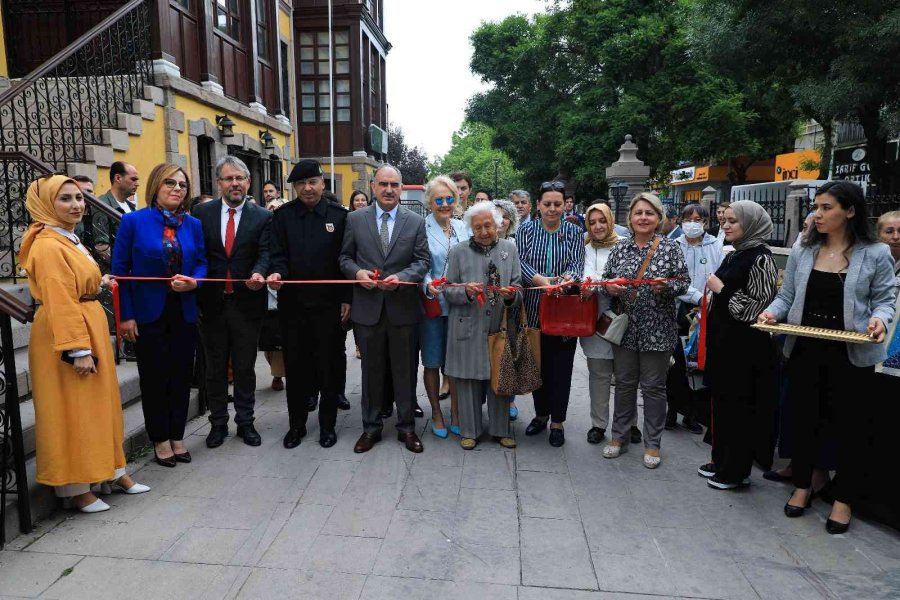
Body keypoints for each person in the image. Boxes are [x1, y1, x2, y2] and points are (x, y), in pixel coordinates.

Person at [759, 181, 895, 534]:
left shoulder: (876, 253)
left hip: (852, 355)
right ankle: (803, 486)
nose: (816, 214)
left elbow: (885, 299)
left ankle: (843, 499)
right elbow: (786, 296)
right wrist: (772, 313)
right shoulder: (804, 249)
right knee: (804, 422)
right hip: (804, 349)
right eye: (816, 207)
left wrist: (880, 319)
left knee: (851, 428)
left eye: (826, 207)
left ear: (849, 211)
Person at [21, 175, 149, 513]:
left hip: (86, 321)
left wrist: (98, 280)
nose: (77, 205)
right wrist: (76, 350)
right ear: (48, 204)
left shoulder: (68, 238)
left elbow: (75, 282)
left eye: (79, 197)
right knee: (73, 411)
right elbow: (60, 298)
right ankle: (77, 488)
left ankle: (110, 471)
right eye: (65, 199)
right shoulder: (48, 244)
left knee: (99, 405)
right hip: (67, 332)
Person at [112, 163, 207, 467]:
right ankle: (160, 439)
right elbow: (120, 272)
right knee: (154, 379)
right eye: (170, 182)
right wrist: (125, 315)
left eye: (182, 184)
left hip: (184, 311)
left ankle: (177, 436)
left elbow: (203, 263)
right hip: (147, 313)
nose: (177, 188)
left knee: (181, 376)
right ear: (155, 185)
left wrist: (195, 282)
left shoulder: (193, 225)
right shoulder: (133, 222)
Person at [340, 164, 431, 454]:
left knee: (405, 371)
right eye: (383, 184)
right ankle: (371, 428)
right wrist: (357, 274)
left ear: (401, 188)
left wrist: (403, 278)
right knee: (371, 372)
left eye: (394, 184)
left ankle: (406, 428)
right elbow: (344, 257)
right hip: (368, 309)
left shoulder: (415, 221)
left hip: (403, 309)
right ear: (373, 186)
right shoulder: (355, 219)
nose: (389, 189)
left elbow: (422, 261)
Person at [601, 192, 689, 468]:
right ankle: (619, 436)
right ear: (630, 218)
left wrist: (668, 287)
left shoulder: (670, 248)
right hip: (626, 329)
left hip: (658, 329)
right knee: (625, 385)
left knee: (653, 388)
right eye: (638, 213)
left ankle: (653, 443)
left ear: (658, 218)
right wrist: (610, 286)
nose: (643, 218)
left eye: (649, 213)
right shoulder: (620, 248)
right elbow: (606, 279)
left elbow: (684, 282)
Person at [268, 160, 351, 448]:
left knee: (328, 367)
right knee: (297, 367)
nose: (307, 188)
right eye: (301, 184)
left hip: (329, 307)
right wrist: (277, 272)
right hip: (293, 307)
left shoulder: (340, 217)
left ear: (322, 183)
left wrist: (346, 299)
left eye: (312, 182)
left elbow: (346, 260)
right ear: (294, 187)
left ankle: (328, 426)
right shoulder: (283, 217)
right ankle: (296, 425)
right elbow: (276, 253)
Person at [193, 156, 271, 449]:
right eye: (229, 178)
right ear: (219, 183)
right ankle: (217, 424)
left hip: (247, 304)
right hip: (211, 304)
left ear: (248, 182)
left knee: (244, 367)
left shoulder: (262, 217)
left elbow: (265, 252)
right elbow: (197, 254)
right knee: (214, 368)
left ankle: (246, 423)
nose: (235, 183)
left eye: (240, 178)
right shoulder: (201, 214)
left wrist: (259, 272)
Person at [700, 201, 778, 489]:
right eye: (725, 221)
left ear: (751, 223)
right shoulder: (736, 254)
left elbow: (756, 309)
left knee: (740, 410)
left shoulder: (761, 259)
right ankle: (721, 462)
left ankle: (735, 471)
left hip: (746, 350)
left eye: (734, 221)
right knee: (723, 406)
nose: (727, 225)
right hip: (725, 345)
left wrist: (721, 290)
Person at [444, 203, 521, 449]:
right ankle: (470, 430)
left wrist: (511, 296)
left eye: (488, 225)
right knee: (467, 380)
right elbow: (447, 289)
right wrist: (465, 291)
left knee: (499, 377)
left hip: (499, 323)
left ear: (498, 224)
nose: (484, 231)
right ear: (471, 229)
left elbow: (519, 286)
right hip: (467, 323)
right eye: (478, 227)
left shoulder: (510, 248)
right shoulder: (458, 251)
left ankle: (501, 430)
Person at [517, 181, 586, 447]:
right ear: (538, 205)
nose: (553, 209)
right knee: (538, 364)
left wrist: (563, 281)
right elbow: (520, 262)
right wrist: (539, 281)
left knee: (562, 368)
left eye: (558, 204)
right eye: (547, 204)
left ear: (565, 204)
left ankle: (558, 420)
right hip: (533, 307)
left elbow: (577, 265)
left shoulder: (573, 231)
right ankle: (540, 414)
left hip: (563, 309)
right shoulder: (526, 230)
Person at [420, 176, 470, 438]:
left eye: (449, 198)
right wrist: (426, 284)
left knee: (456, 364)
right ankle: (437, 413)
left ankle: (458, 413)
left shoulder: (464, 228)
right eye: (438, 199)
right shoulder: (421, 228)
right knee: (432, 361)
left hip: (461, 306)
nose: (444, 204)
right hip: (434, 305)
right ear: (430, 202)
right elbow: (418, 263)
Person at [666, 204, 723, 433]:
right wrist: (697, 296)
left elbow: (718, 275)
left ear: (706, 222)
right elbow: (673, 279)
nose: (692, 223)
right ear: (680, 221)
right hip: (680, 309)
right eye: (688, 219)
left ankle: (692, 414)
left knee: (698, 361)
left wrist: (707, 299)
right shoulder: (673, 246)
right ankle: (672, 409)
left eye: (697, 219)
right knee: (676, 363)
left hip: (707, 311)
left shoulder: (716, 246)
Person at [580, 203, 619, 444]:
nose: (598, 226)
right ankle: (599, 424)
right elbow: (585, 279)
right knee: (599, 375)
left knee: (626, 377)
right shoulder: (584, 248)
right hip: (595, 321)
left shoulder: (625, 245)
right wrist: (606, 283)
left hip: (624, 318)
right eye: (592, 222)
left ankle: (629, 424)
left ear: (610, 221)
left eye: (602, 220)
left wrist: (597, 282)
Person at [259, 198, 285, 392]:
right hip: (264, 289)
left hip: (284, 288)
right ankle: (276, 373)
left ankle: (280, 373)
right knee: (269, 338)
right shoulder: (263, 232)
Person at [94, 162, 140, 259]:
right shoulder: (102, 205)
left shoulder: (131, 207)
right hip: (116, 272)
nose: (137, 184)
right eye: (133, 179)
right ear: (118, 178)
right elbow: (101, 247)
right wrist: (125, 268)